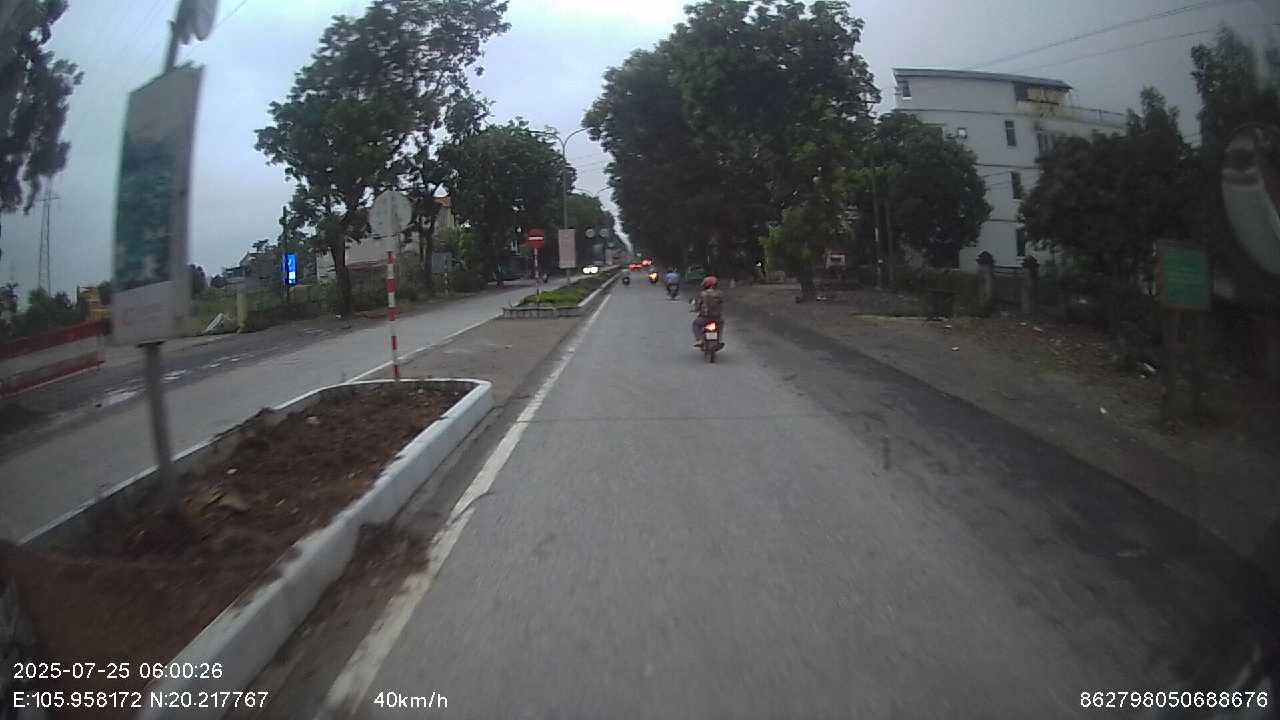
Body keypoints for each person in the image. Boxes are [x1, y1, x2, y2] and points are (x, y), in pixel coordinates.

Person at [691, 275, 724, 347]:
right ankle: (719, 340)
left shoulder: (702, 294)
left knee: (695, 324)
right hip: (717, 318)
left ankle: (699, 339)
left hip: (704, 318)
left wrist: (696, 309)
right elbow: (721, 303)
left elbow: (697, 305)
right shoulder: (719, 294)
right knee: (720, 325)